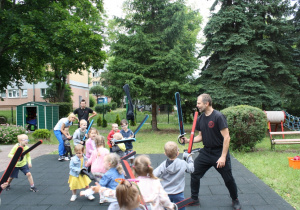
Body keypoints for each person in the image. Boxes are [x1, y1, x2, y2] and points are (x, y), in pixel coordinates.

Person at [180, 93, 241, 210]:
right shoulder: (201, 119)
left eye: (199, 103)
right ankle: (194, 198)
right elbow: (200, 137)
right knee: (195, 173)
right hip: (206, 152)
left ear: (206, 103)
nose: (197, 105)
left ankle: (235, 199)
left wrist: (223, 157)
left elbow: (227, 137)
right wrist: (188, 140)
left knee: (228, 178)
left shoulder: (218, 116)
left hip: (219, 152)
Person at [153, 141, 194, 210]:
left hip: (166, 194)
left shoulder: (163, 165)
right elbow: (191, 169)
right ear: (177, 153)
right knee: (181, 207)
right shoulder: (182, 163)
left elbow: (154, 174)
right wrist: (189, 158)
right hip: (178, 193)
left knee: (166, 208)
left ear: (165, 154)